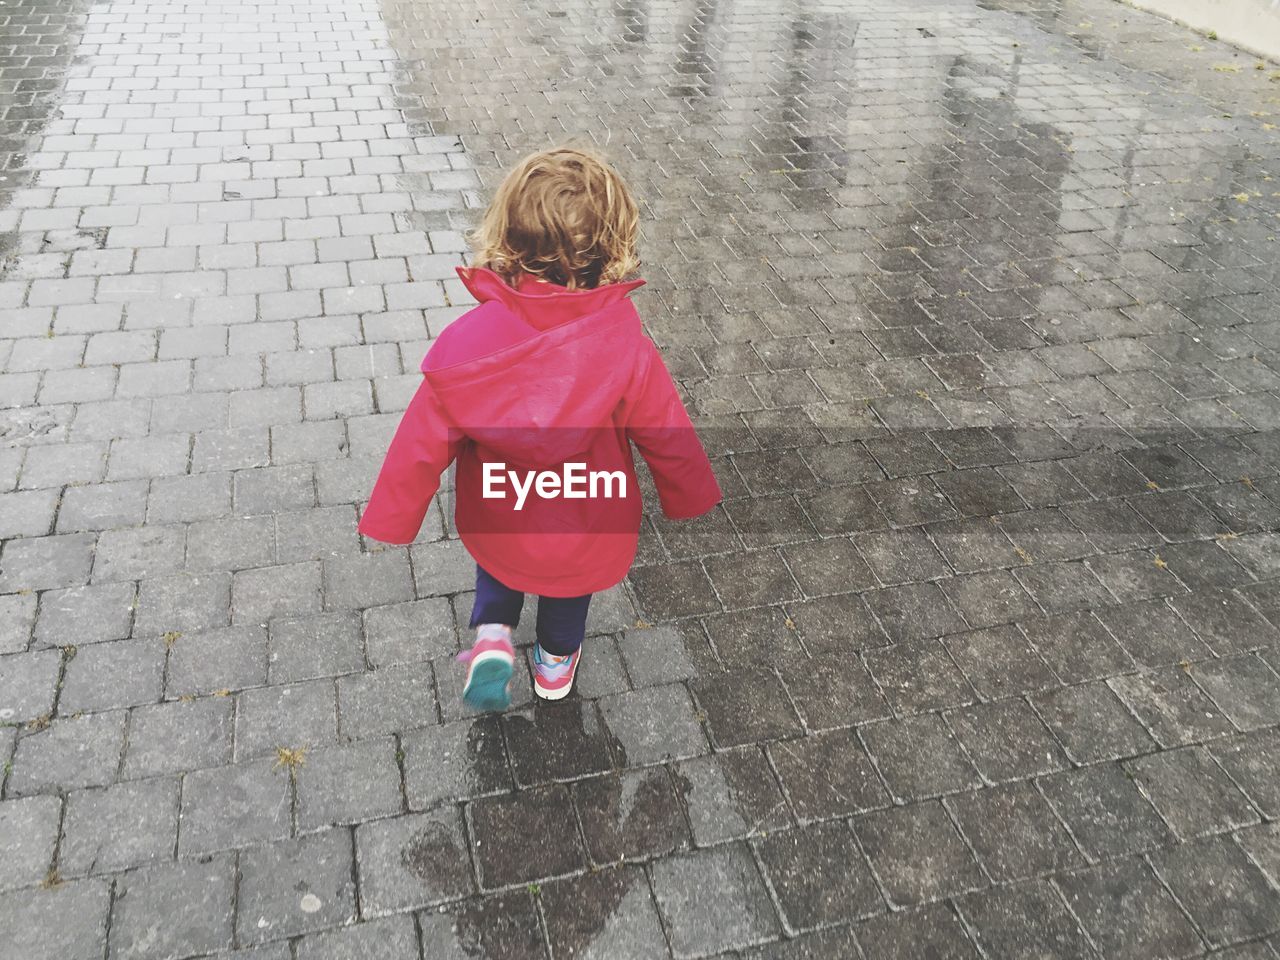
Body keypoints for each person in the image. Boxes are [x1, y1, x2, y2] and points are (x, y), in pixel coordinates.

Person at [358, 146, 721, 710]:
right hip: (587, 515)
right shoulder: (623, 343)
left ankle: (493, 637)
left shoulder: (469, 343)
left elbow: (422, 441)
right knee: (568, 594)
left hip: (501, 505)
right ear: (612, 248)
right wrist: (688, 492)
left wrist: (393, 514)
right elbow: (662, 428)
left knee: (500, 568)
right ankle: (553, 667)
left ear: (509, 236)